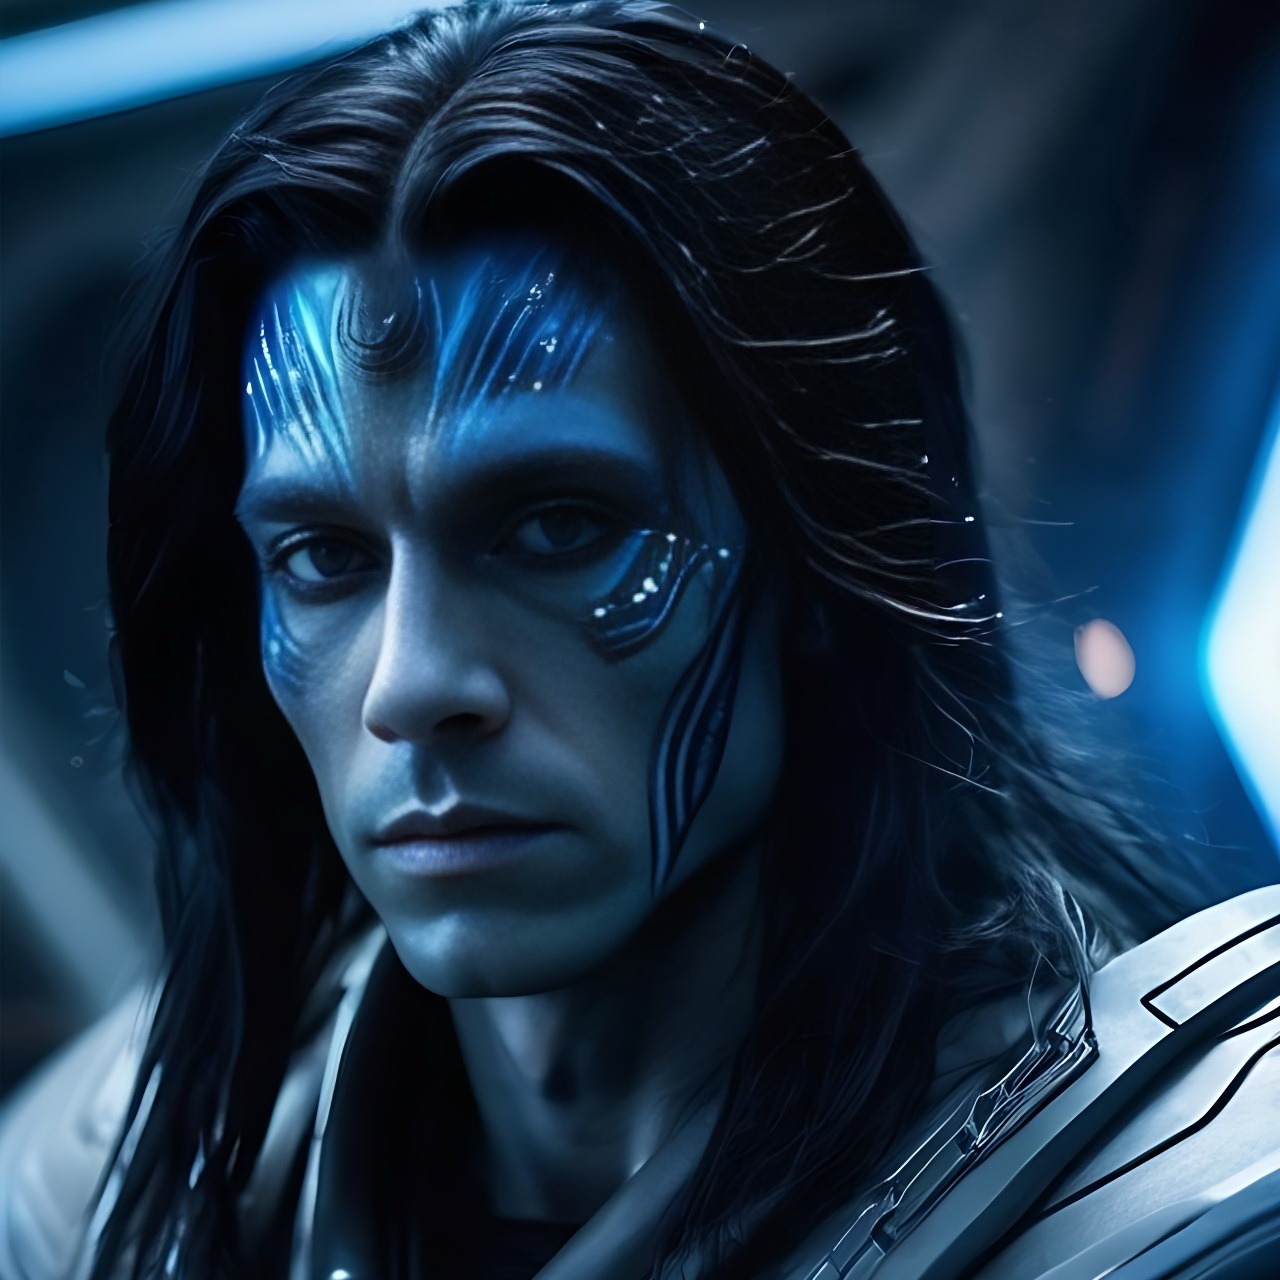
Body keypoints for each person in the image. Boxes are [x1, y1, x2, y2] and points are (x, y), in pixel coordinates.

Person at [2, 3, 1278, 1277]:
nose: (412, 683)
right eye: (324, 558)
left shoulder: (1167, 1209)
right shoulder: (100, 1191)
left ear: (815, 565)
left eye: (557, 526)